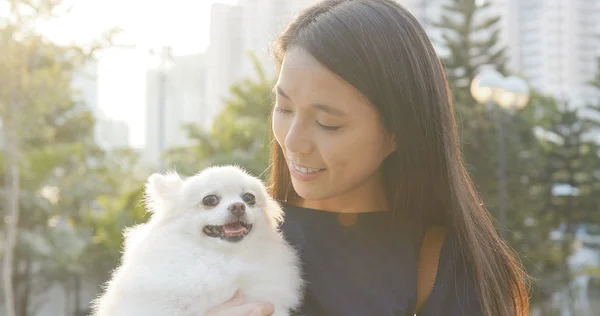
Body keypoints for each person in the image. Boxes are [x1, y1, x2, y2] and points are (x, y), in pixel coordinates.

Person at [207, 0, 530, 315]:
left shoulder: (443, 264)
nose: (293, 141)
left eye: (327, 123)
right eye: (284, 108)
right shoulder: (226, 235)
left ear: (397, 132)